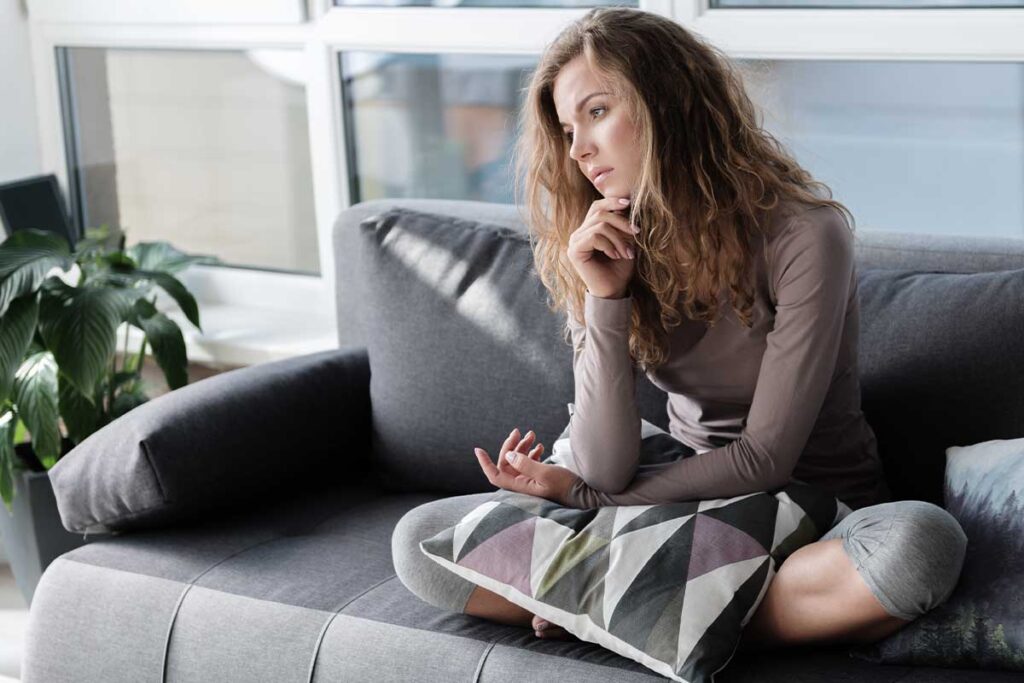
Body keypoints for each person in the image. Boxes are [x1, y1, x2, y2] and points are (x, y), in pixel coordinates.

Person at [391, 6, 967, 651]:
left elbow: (762, 458)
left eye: (599, 112)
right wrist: (602, 299)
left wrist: (590, 504)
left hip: (812, 506)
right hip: (675, 492)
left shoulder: (805, 232)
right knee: (421, 541)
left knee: (920, 546)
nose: (578, 148)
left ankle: (617, 603)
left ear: (671, 106)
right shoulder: (610, 238)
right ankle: (672, 607)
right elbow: (609, 467)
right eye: (566, 127)